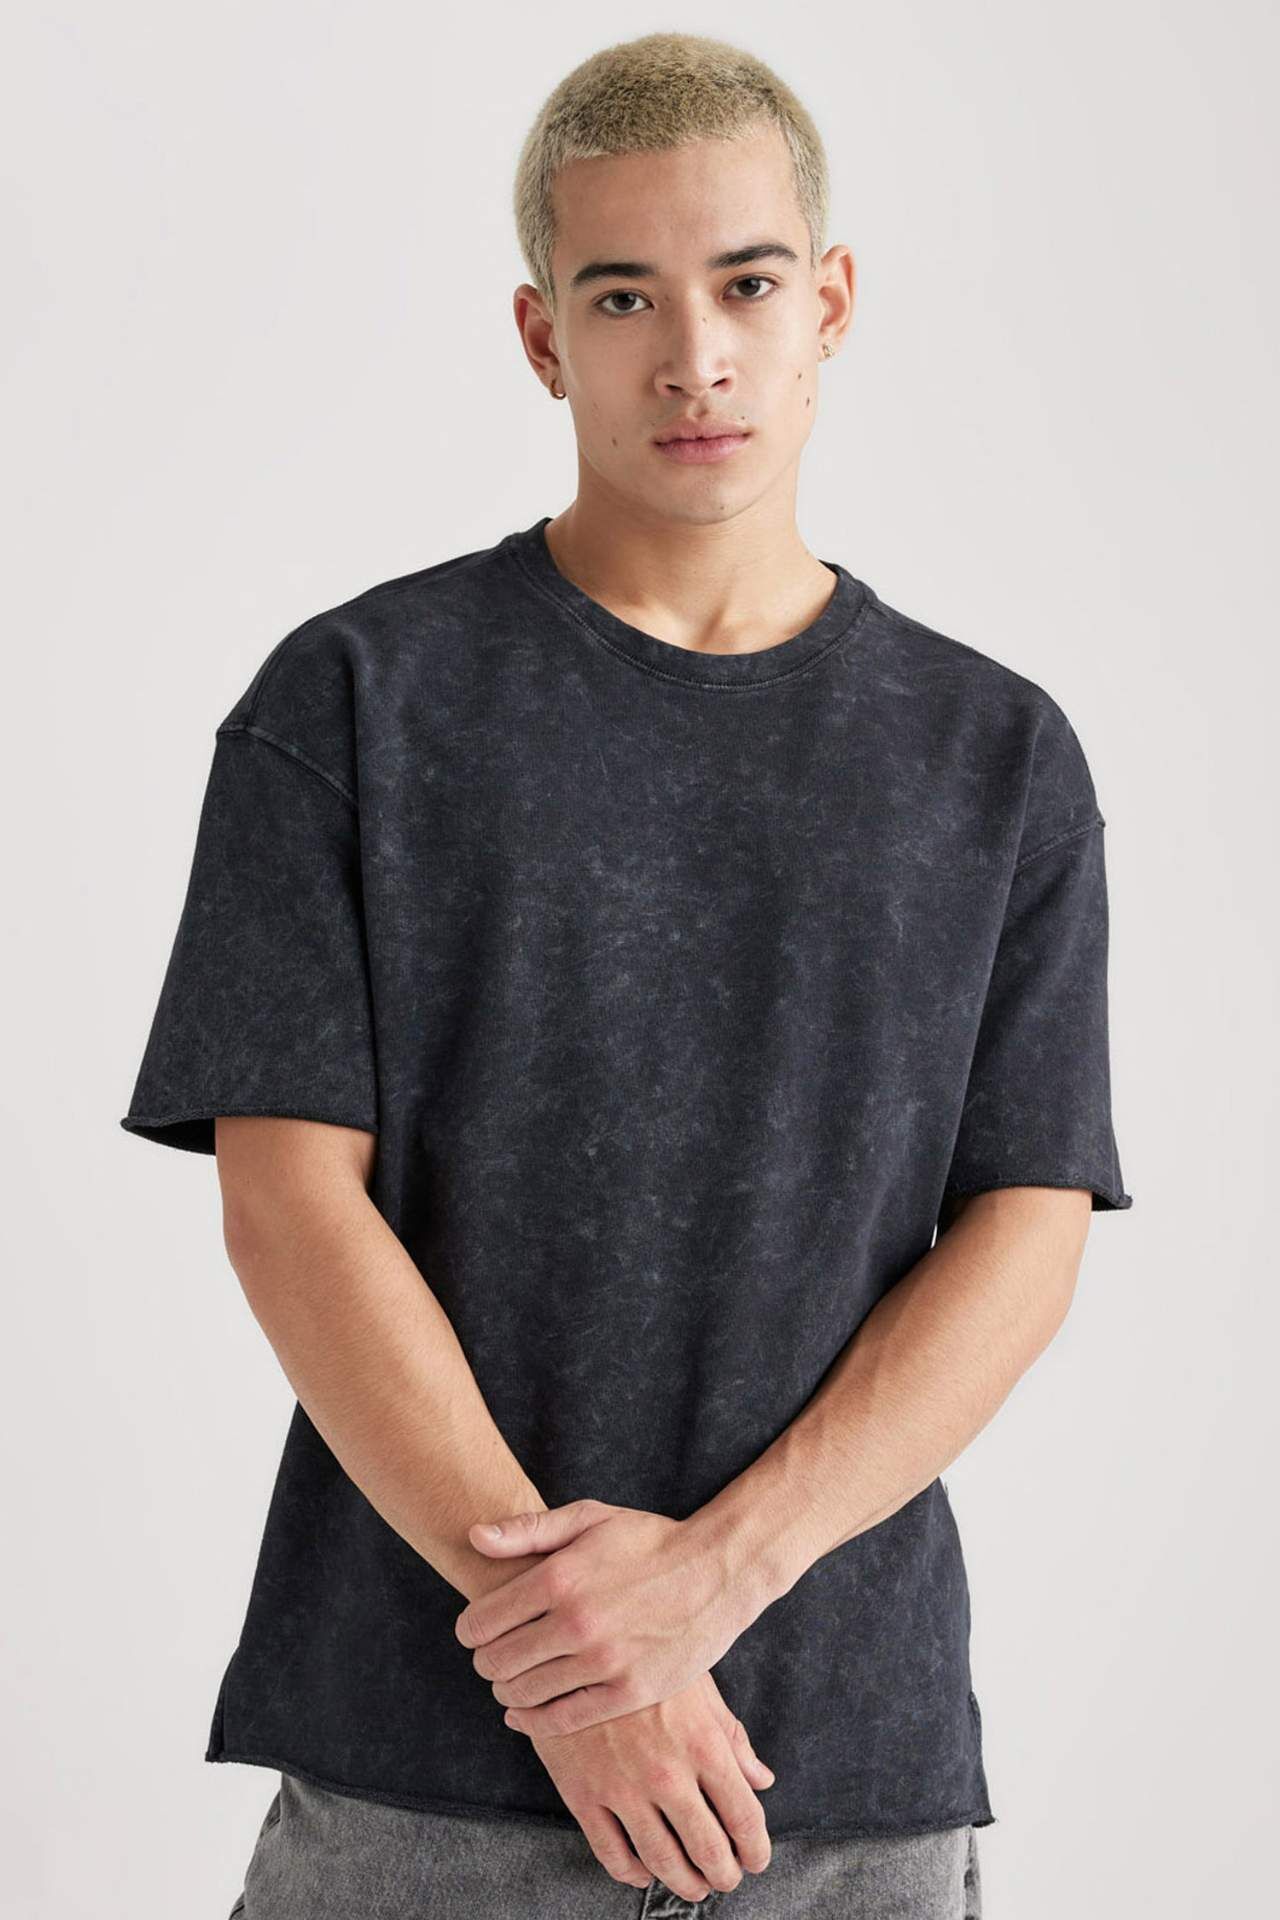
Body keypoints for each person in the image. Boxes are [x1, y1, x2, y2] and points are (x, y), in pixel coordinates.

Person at [120, 29, 1131, 1920]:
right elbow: (289, 1211)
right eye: (622, 296)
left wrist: (713, 1580)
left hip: (842, 1776)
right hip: (424, 1772)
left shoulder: (995, 757)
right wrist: (586, 1662)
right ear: (541, 336)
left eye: (747, 284)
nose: (695, 355)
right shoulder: (352, 704)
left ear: (830, 304)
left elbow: (1029, 1228)